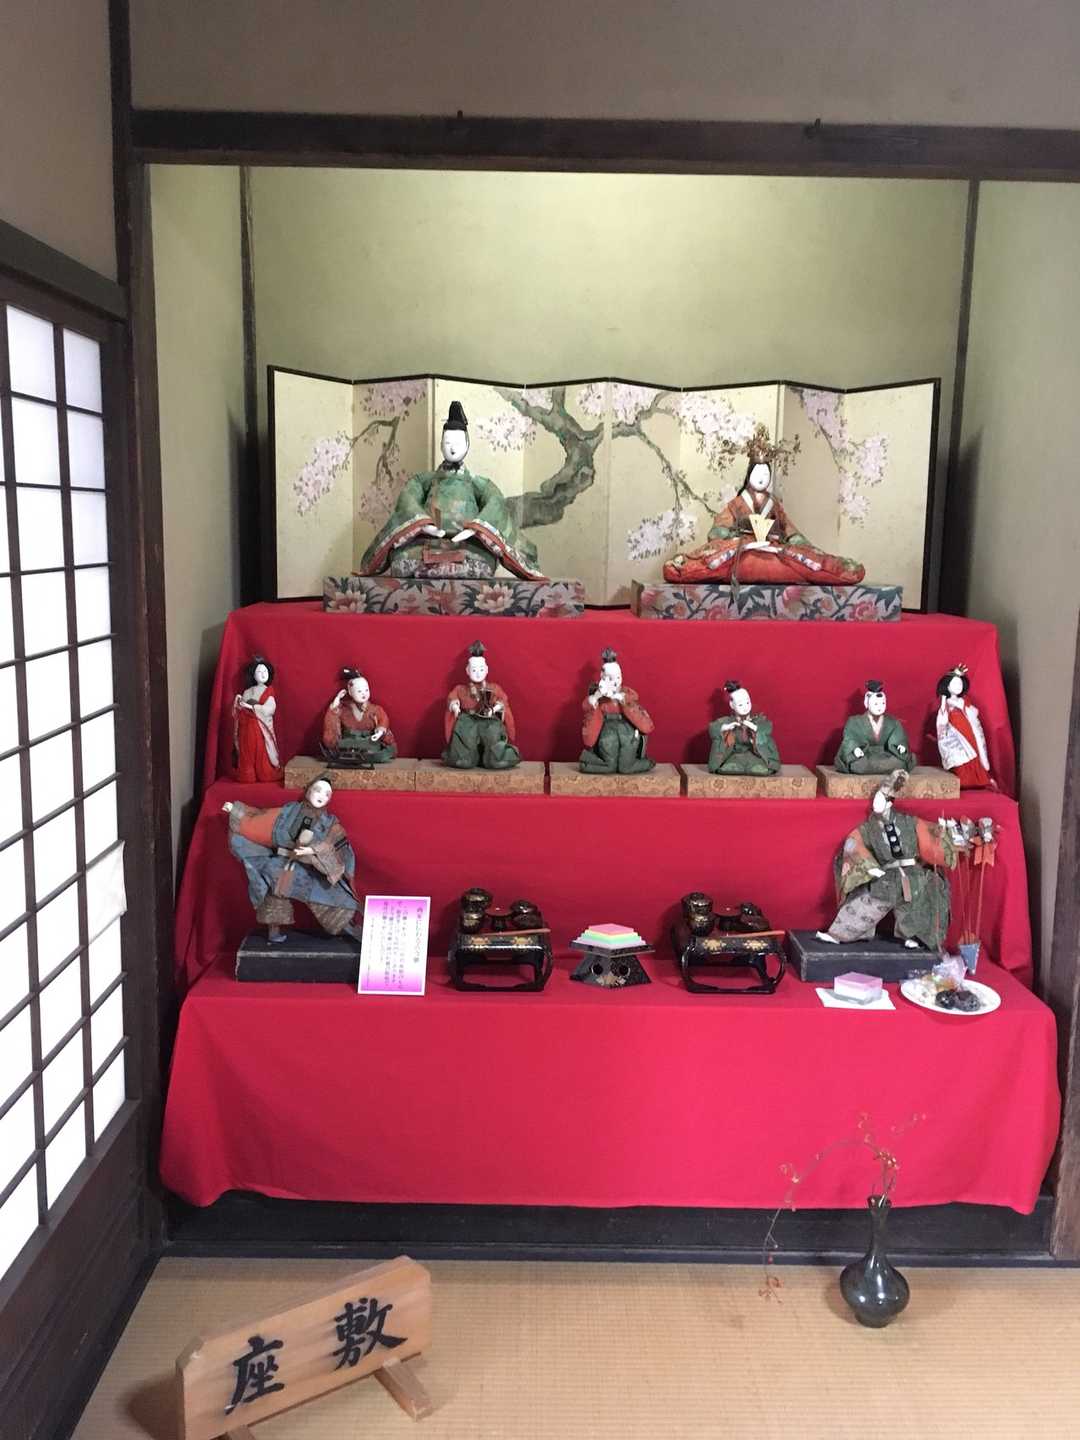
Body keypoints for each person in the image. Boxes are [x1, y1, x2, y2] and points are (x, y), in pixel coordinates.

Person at [359, 400, 546, 581]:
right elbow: (409, 496)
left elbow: (495, 501)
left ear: (467, 445)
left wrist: (476, 528)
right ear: (441, 445)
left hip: (468, 542)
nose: (453, 448)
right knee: (401, 561)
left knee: (482, 561)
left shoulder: (476, 483)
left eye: (458, 443)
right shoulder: (425, 480)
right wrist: (423, 524)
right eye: (448, 442)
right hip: (427, 538)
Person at [663, 426, 865, 586]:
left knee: (801, 558)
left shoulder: (773, 504)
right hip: (742, 548)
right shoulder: (737, 504)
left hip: (772, 547)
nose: (762, 478)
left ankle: (841, 569)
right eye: (757, 473)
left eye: (766, 474)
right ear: (749, 475)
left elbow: (789, 529)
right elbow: (718, 531)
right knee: (718, 558)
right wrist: (730, 534)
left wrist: (798, 540)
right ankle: (682, 568)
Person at [816, 769, 955, 951]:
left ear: (890, 802)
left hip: (912, 872)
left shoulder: (909, 821)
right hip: (887, 874)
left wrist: (944, 833)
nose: (877, 803)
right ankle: (839, 934)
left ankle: (916, 937)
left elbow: (929, 840)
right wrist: (869, 866)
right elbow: (854, 843)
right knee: (869, 899)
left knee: (918, 902)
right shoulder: (869, 828)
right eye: (876, 799)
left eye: (881, 799)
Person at [222, 776, 361, 943]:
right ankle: (273, 931)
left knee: (328, 894)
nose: (321, 796)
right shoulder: (288, 811)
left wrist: (312, 850)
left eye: (327, 794)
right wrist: (236, 811)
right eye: (317, 790)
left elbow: (337, 846)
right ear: (308, 790)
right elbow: (261, 818)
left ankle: (349, 928)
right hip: (281, 861)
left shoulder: (330, 823)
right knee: (276, 893)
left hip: (309, 867)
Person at [443, 641, 521, 769]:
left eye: (481, 669)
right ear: (467, 671)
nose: (478, 673)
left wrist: (494, 709)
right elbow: (452, 698)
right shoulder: (461, 689)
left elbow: (502, 701)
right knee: (465, 740)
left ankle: (496, 759)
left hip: (488, 719)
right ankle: (463, 758)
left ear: (486, 670)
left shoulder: (493, 688)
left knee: (493, 734)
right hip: (468, 720)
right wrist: (455, 706)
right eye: (474, 670)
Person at [579, 648, 655, 774]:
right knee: (610, 764)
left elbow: (637, 713)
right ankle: (587, 761)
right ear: (602, 678)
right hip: (607, 733)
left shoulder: (626, 695)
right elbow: (588, 708)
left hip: (627, 732)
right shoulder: (599, 696)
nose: (614, 682)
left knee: (626, 766)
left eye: (618, 677)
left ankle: (646, 763)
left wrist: (622, 699)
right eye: (609, 678)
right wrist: (595, 698)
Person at [834, 680, 916, 774]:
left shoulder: (893, 722)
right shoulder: (854, 721)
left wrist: (900, 747)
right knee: (858, 765)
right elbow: (850, 739)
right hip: (864, 756)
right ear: (866, 703)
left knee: (899, 763)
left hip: (886, 755)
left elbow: (899, 738)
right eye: (876, 704)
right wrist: (855, 749)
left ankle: (878, 767)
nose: (879, 707)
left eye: (883, 703)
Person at [935, 663, 992, 788]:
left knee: (974, 752)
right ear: (947, 686)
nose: (958, 686)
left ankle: (979, 779)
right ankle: (965, 781)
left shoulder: (964, 701)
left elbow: (971, 713)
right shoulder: (947, 702)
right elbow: (942, 720)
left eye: (960, 684)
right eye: (954, 684)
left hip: (968, 730)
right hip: (956, 733)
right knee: (962, 756)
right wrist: (943, 701)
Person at [321, 668, 396, 765]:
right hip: (349, 745)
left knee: (376, 750)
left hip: (369, 744)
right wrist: (336, 702)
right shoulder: (344, 709)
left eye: (366, 690)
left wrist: (380, 732)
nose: (364, 693)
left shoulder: (376, 709)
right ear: (350, 692)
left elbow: (383, 720)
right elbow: (332, 721)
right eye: (359, 691)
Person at [707, 680, 781, 775]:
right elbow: (713, 728)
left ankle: (755, 765)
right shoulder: (729, 721)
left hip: (754, 754)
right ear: (732, 705)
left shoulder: (757, 719)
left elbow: (767, 727)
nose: (745, 707)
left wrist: (754, 727)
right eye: (740, 704)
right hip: (734, 754)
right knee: (733, 766)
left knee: (757, 767)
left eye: (747, 702)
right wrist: (725, 727)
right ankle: (736, 766)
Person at [232, 655, 283, 783]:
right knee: (246, 752)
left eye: (265, 671)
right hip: (246, 726)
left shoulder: (268, 691)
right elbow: (239, 709)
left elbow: (269, 709)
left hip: (259, 728)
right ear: (253, 675)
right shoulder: (247, 692)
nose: (263, 674)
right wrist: (239, 702)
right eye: (259, 672)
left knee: (260, 751)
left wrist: (251, 707)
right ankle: (247, 775)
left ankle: (263, 773)